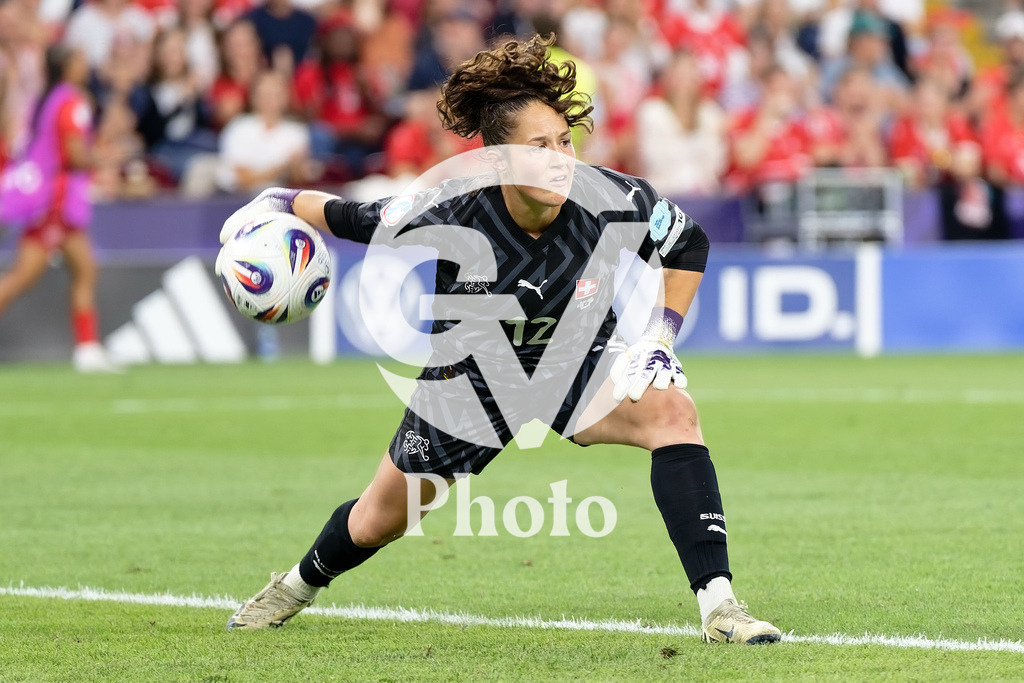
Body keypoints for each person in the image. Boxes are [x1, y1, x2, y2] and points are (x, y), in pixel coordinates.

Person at [220, 34, 782, 645]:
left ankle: (720, 609)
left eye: (564, 140)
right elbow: (351, 218)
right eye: (538, 146)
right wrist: (275, 200)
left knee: (673, 414)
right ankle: (297, 586)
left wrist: (660, 336)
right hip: (468, 384)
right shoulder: (446, 207)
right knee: (379, 519)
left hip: (572, 362)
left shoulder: (611, 198)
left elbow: (689, 243)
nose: (560, 157)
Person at [0, 46, 118, 372]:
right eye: (80, 58)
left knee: (86, 268)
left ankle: (87, 349)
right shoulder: (71, 101)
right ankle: (87, 349)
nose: (85, 63)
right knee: (23, 276)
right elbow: (75, 154)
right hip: (56, 202)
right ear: (67, 66)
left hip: (52, 200)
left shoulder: (47, 98)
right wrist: (105, 158)